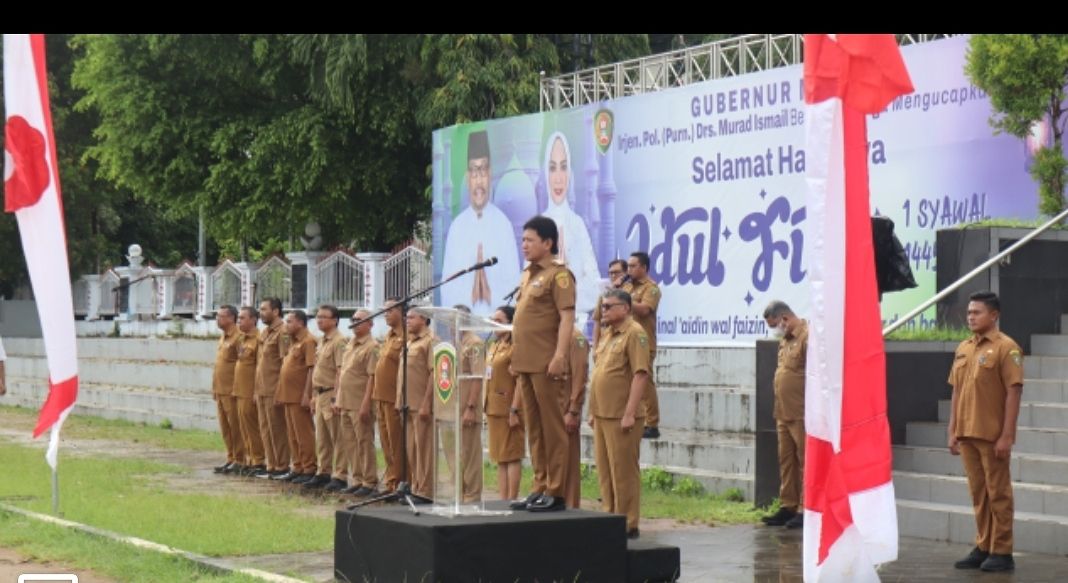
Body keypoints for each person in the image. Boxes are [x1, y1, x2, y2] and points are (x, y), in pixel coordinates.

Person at [948, 291, 1023, 572]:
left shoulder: (1007, 348)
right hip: (967, 432)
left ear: (994, 315)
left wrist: (1007, 435)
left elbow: (1013, 393)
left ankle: (1002, 550)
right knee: (979, 493)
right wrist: (952, 429)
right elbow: (956, 391)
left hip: (992, 435)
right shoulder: (964, 347)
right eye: (969, 312)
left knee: (998, 493)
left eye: (977, 312)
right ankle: (984, 545)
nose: (971, 317)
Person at [510, 215, 577, 512]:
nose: (524, 245)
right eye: (523, 239)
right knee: (534, 429)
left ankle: (556, 489)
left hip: (546, 362)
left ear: (548, 243)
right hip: (524, 363)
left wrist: (560, 356)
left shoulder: (559, 276)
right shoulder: (527, 275)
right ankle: (539, 484)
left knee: (552, 428)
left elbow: (567, 317)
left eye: (530, 240)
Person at [588, 289, 650, 538]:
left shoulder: (634, 333)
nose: (603, 311)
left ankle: (628, 523)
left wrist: (630, 413)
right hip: (603, 413)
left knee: (623, 472)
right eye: (602, 307)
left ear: (625, 308)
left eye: (609, 307)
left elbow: (641, 374)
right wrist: (592, 411)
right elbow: (600, 375)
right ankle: (610, 517)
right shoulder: (607, 334)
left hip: (622, 414)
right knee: (605, 471)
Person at [440, 130, 522, 316]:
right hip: (464, 327)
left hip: (497, 326)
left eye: (483, 170)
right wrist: (470, 296)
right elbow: (447, 286)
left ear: (490, 174)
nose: (479, 181)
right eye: (474, 171)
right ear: (468, 177)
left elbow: (514, 285)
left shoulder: (503, 224)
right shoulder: (457, 227)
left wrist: (490, 294)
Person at [759, 300, 807, 530]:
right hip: (783, 411)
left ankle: (806, 508)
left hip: (801, 412)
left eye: (775, 325)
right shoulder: (785, 341)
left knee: (805, 461)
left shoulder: (807, 337)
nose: (775, 331)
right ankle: (788, 505)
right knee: (786, 461)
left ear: (785, 319)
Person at [542, 131, 600, 317]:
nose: (558, 177)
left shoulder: (577, 224)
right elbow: (529, 286)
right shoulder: (538, 227)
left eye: (563, 167)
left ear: (570, 173)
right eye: (552, 168)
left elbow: (593, 284)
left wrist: (565, 297)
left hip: (578, 323)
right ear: (545, 173)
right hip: (544, 325)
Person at [437, 305, 484, 503]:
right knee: (452, 452)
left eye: (453, 319)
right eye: (448, 320)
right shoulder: (454, 344)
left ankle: (471, 495)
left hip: (466, 408)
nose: (450, 324)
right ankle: (458, 490)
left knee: (469, 453)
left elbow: (477, 378)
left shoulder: (475, 343)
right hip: (450, 410)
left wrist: (471, 408)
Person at [336, 309, 379, 496]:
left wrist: (366, 404)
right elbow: (343, 373)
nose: (355, 322)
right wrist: (337, 398)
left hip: (359, 402)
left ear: (370, 324)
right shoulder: (350, 343)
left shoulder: (372, 346)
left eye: (359, 320)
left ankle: (369, 481)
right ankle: (358, 478)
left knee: (364, 442)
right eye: (353, 319)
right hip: (345, 401)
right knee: (350, 443)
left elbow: (372, 377)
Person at [485, 305, 524, 501]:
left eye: (499, 321)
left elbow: (520, 381)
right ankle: (503, 500)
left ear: (511, 323)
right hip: (493, 407)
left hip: (509, 407)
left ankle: (512, 499)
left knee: (512, 456)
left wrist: (514, 409)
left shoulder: (516, 346)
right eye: (493, 320)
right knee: (500, 458)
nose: (494, 324)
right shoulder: (495, 345)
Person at [307, 305, 347, 491]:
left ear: (335, 320)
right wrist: (314, 396)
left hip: (331, 392)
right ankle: (323, 471)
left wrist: (337, 397)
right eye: (318, 316)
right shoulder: (322, 341)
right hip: (320, 393)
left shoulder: (340, 341)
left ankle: (340, 475)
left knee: (337, 436)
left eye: (324, 317)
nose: (319, 320)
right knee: (322, 437)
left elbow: (340, 371)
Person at [277, 310, 318, 483]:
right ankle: (298, 465)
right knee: (293, 435)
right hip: (288, 394)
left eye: (290, 321)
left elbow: (311, 368)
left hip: (299, 395)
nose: (286, 325)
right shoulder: (293, 342)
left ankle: (309, 467)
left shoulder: (308, 341)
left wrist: (307, 394)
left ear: (301, 323)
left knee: (303, 434)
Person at [624, 252, 662, 440]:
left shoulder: (651, 288)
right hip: (624, 341)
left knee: (645, 381)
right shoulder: (627, 286)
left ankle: (652, 423)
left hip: (643, 342)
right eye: (628, 266)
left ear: (644, 268)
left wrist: (623, 300)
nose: (629, 270)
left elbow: (645, 309)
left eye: (633, 266)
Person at [401, 309, 437, 498]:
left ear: (423, 319)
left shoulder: (430, 341)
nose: (407, 320)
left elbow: (434, 372)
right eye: (406, 317)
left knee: (424, 449)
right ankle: (416, 487)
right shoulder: (410, 341)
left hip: (421, 404)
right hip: (407, 404)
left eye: (411, 317)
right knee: (412, 449)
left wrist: (426, 403)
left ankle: (425, 491)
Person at [372, 298, 406, 492]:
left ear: (401, 312)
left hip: (395, 398)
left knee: (396, 442)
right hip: (381, 397)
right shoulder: (389, 336)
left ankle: (398, 481)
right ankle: (391, 480)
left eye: (390, 310)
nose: (386, 314)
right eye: (384, 310)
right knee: (385, 442)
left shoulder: (406, 337)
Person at [257, 298, 292, 480]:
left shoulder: (283, 332)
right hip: (262, 389)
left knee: (277, 428)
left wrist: (281, 390)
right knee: (265, 428)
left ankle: (282, 465)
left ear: (276, 311)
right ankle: (271, 465)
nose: (261, 312)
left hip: (274, 388)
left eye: (264, 309)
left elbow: (284, 362)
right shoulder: (265, 332)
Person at [212, 305, 245, 475]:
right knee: (225, 427)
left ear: (231, 318)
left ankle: (240, 459)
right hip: (221, 389)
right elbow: (219, 365)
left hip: (232, 390)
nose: (218, 319)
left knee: (235, 427)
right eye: (217, 316)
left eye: (221, 316)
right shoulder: (223, 337)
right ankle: (231, 457)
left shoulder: (238, 337)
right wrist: (214, 388)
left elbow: (242, 365)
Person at [233, 306, 267, 477]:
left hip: (250, 390)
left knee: (253, 427)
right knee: (244, 427)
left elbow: (259, 367)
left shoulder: (258, 339)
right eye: (238, 318)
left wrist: (256, 390)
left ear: (253, 320)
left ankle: (259, 460)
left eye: (242, 318)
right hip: (239, 389)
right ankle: (249, 458)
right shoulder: (242, 339)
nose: (239, 321)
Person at [564, 326, 590, 509]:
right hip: (549, 408)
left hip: (566, 409)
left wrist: (573, 410)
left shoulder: (575, 338)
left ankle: (570, 508)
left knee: (569, 462)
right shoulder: (550, 334)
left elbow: (580, 375)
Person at [591, 259, 628, 347]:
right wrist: (595, 348)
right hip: (606, 343)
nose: (613, 275)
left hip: (624, 341)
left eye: (617, 272)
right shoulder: (604, 294)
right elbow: (597, 321)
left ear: (625, 273)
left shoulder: (629, 292)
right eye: (610, 273)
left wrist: (617, 289)